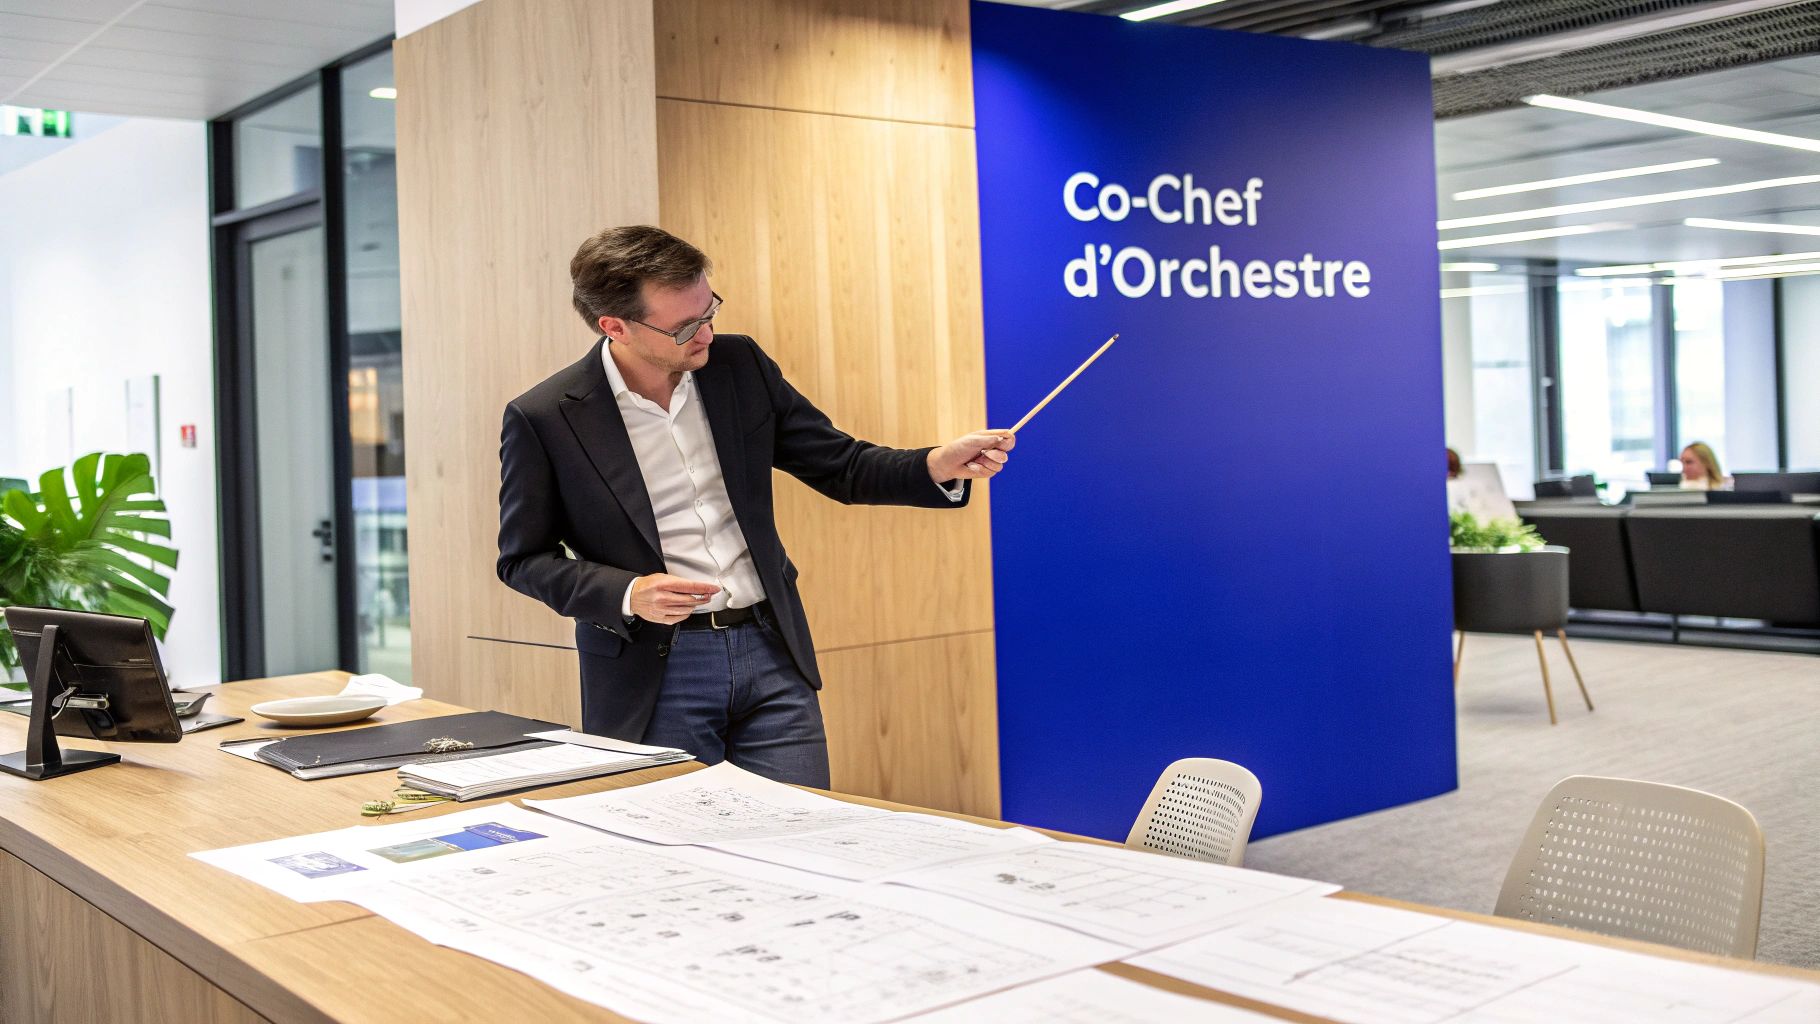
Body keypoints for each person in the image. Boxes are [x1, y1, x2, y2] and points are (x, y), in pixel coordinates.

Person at [496, 225, 1012, 787]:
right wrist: (625, 593)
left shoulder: (738, 367)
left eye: (709, 308)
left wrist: (936, 463)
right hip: (655, 669)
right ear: (615, 326)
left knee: (806, 836)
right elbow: (523, 559)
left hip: (770, 648)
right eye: (686, 326)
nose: (708, 333)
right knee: (681, 856)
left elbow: (840, 464)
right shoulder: (546, 417)